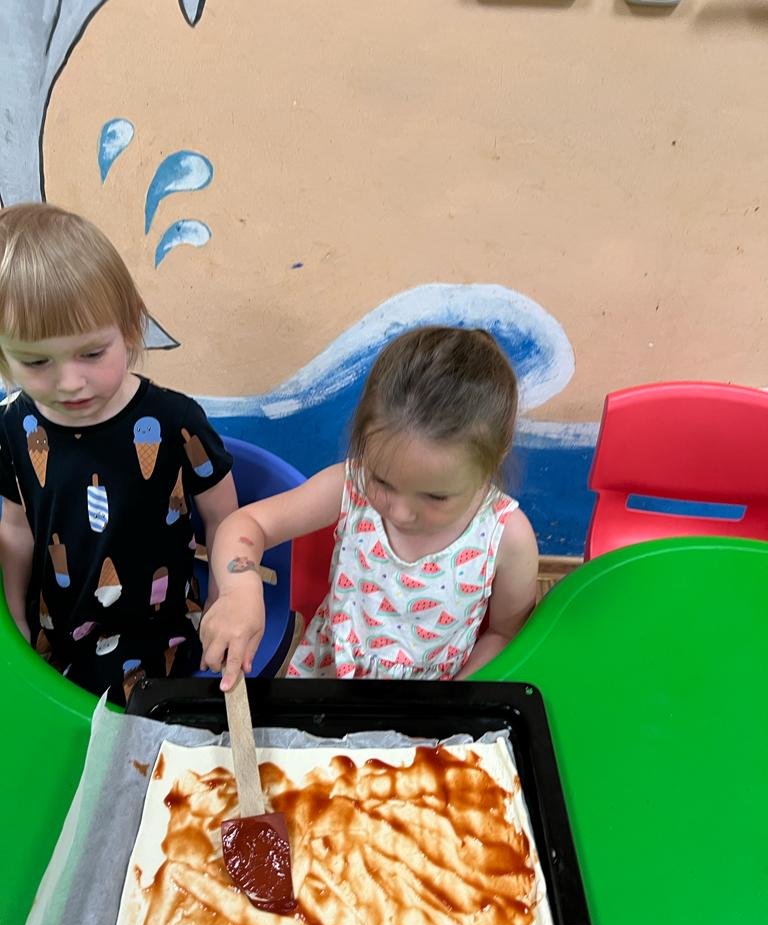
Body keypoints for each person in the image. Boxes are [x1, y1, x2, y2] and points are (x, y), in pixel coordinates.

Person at [202, 325, 539, 690]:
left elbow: (506, 634)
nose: (399, 513)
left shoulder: (509, 537)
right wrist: (239, 590)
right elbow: (247, 524)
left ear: (493, 461)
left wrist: (455, 696)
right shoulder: (350, 484)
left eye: (436, 497)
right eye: (383, 481)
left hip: (433, 703)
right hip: (327, 683)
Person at [0, 203, 238, 704]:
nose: (70, 382)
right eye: (36, 361)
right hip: (54, 636)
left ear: (130, 330)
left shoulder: (176, 420)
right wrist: (15, 619)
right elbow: (16, 528)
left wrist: (225, 603)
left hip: (157, 633)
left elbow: (223, 518)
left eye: (92, 353)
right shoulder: (12, 427)